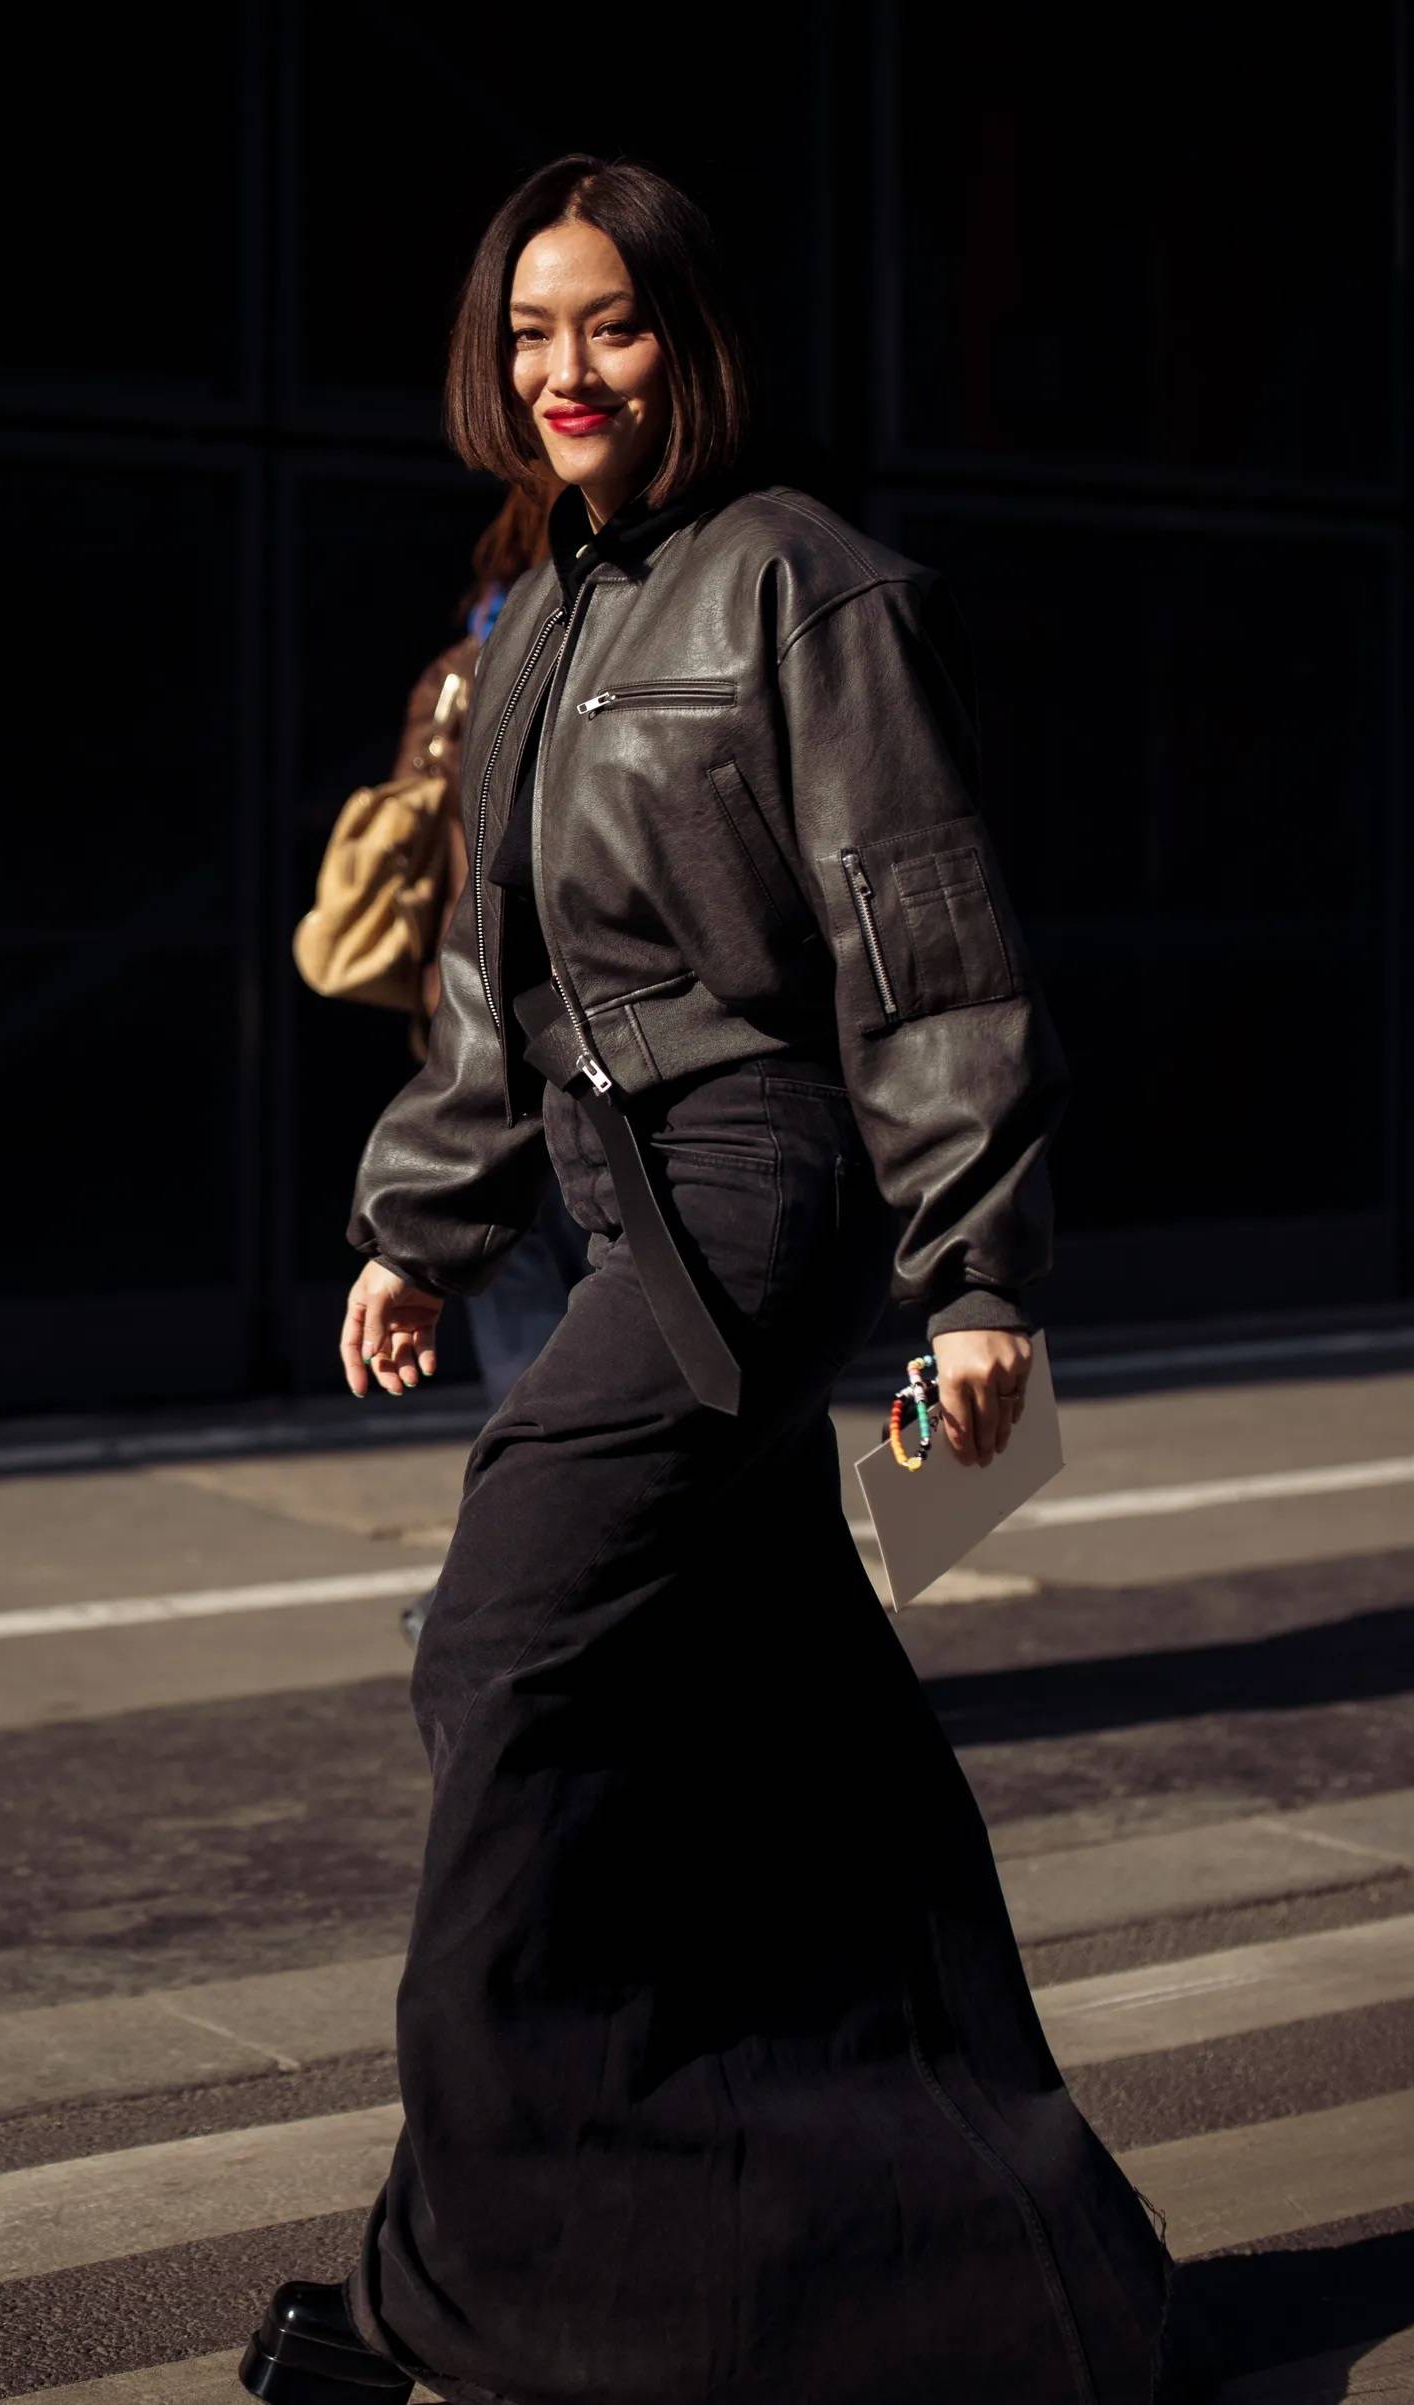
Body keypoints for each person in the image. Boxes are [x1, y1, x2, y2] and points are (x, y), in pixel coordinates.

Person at [241, 154, 1204, 2405]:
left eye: (611, 327)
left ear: (688, 336)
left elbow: (923, 940)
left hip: (760, 1191)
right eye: (528, 336)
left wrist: (974, 1275)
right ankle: (990, 2277)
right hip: (605, 1185)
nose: (565, 373)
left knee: (501, 1640)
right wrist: (420, 1214)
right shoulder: (544, 615)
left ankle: (462, 2284)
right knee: (798, 1759)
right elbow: (490, 971)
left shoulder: (807, 588)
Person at [368, 481, 595, 1650]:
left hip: (473, 1043)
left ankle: (514, 1593)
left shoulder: (460, 668)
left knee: (533, 1349)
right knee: (588, 1354)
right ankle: (520, 1596)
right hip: (576, 1046)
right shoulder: (592, 638)